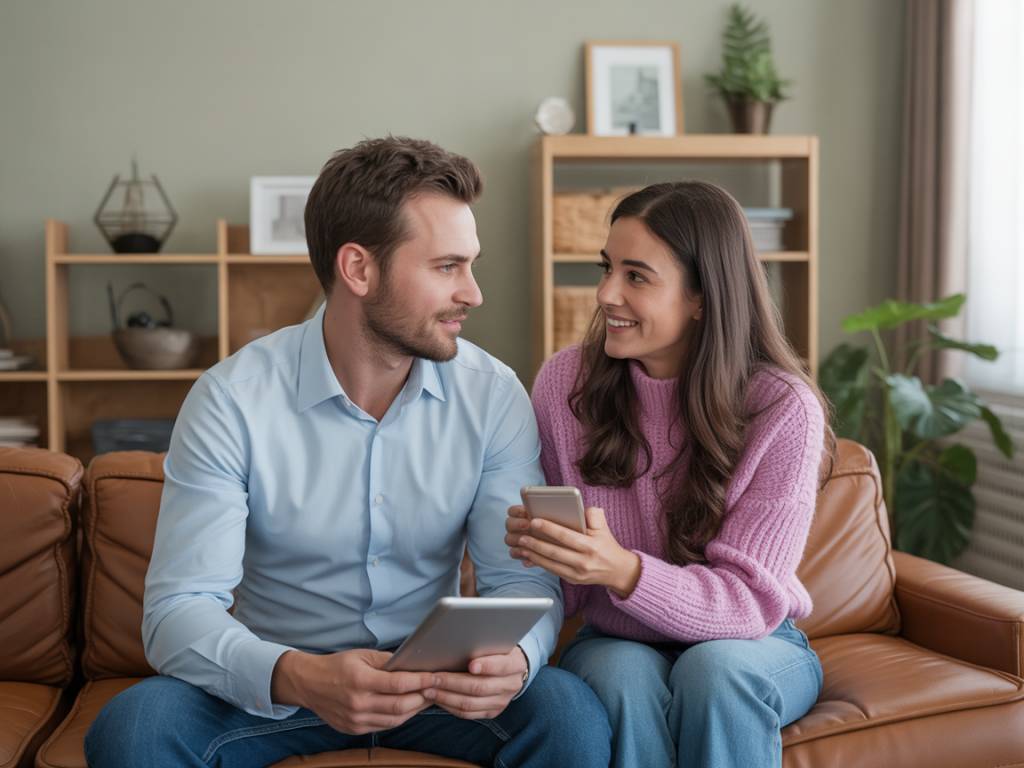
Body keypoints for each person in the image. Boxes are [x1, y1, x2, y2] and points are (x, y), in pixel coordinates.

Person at [85, 137, 610, 768]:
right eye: (447, 267)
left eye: (470, 265)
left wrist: (517, 657)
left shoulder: (492, 395)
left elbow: (520, 579)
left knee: (569, 715)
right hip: (281, 687)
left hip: (436, 688)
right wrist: (299, 676)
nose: (473, 294)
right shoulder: (232, 399)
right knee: (134, 729)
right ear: (358, 269)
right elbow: (178, 611)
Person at [506, 181, 834, 768]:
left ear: (702, 297)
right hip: (617, 638)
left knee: (716, 670)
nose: (606, 293)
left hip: (753, 643)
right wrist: (548, 548)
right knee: (621, 675)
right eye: (607, 268)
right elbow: (576, 592)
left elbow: (751, 603)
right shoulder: (565, 385)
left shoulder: (782, 407)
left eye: (637, 276)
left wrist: (623, 569)